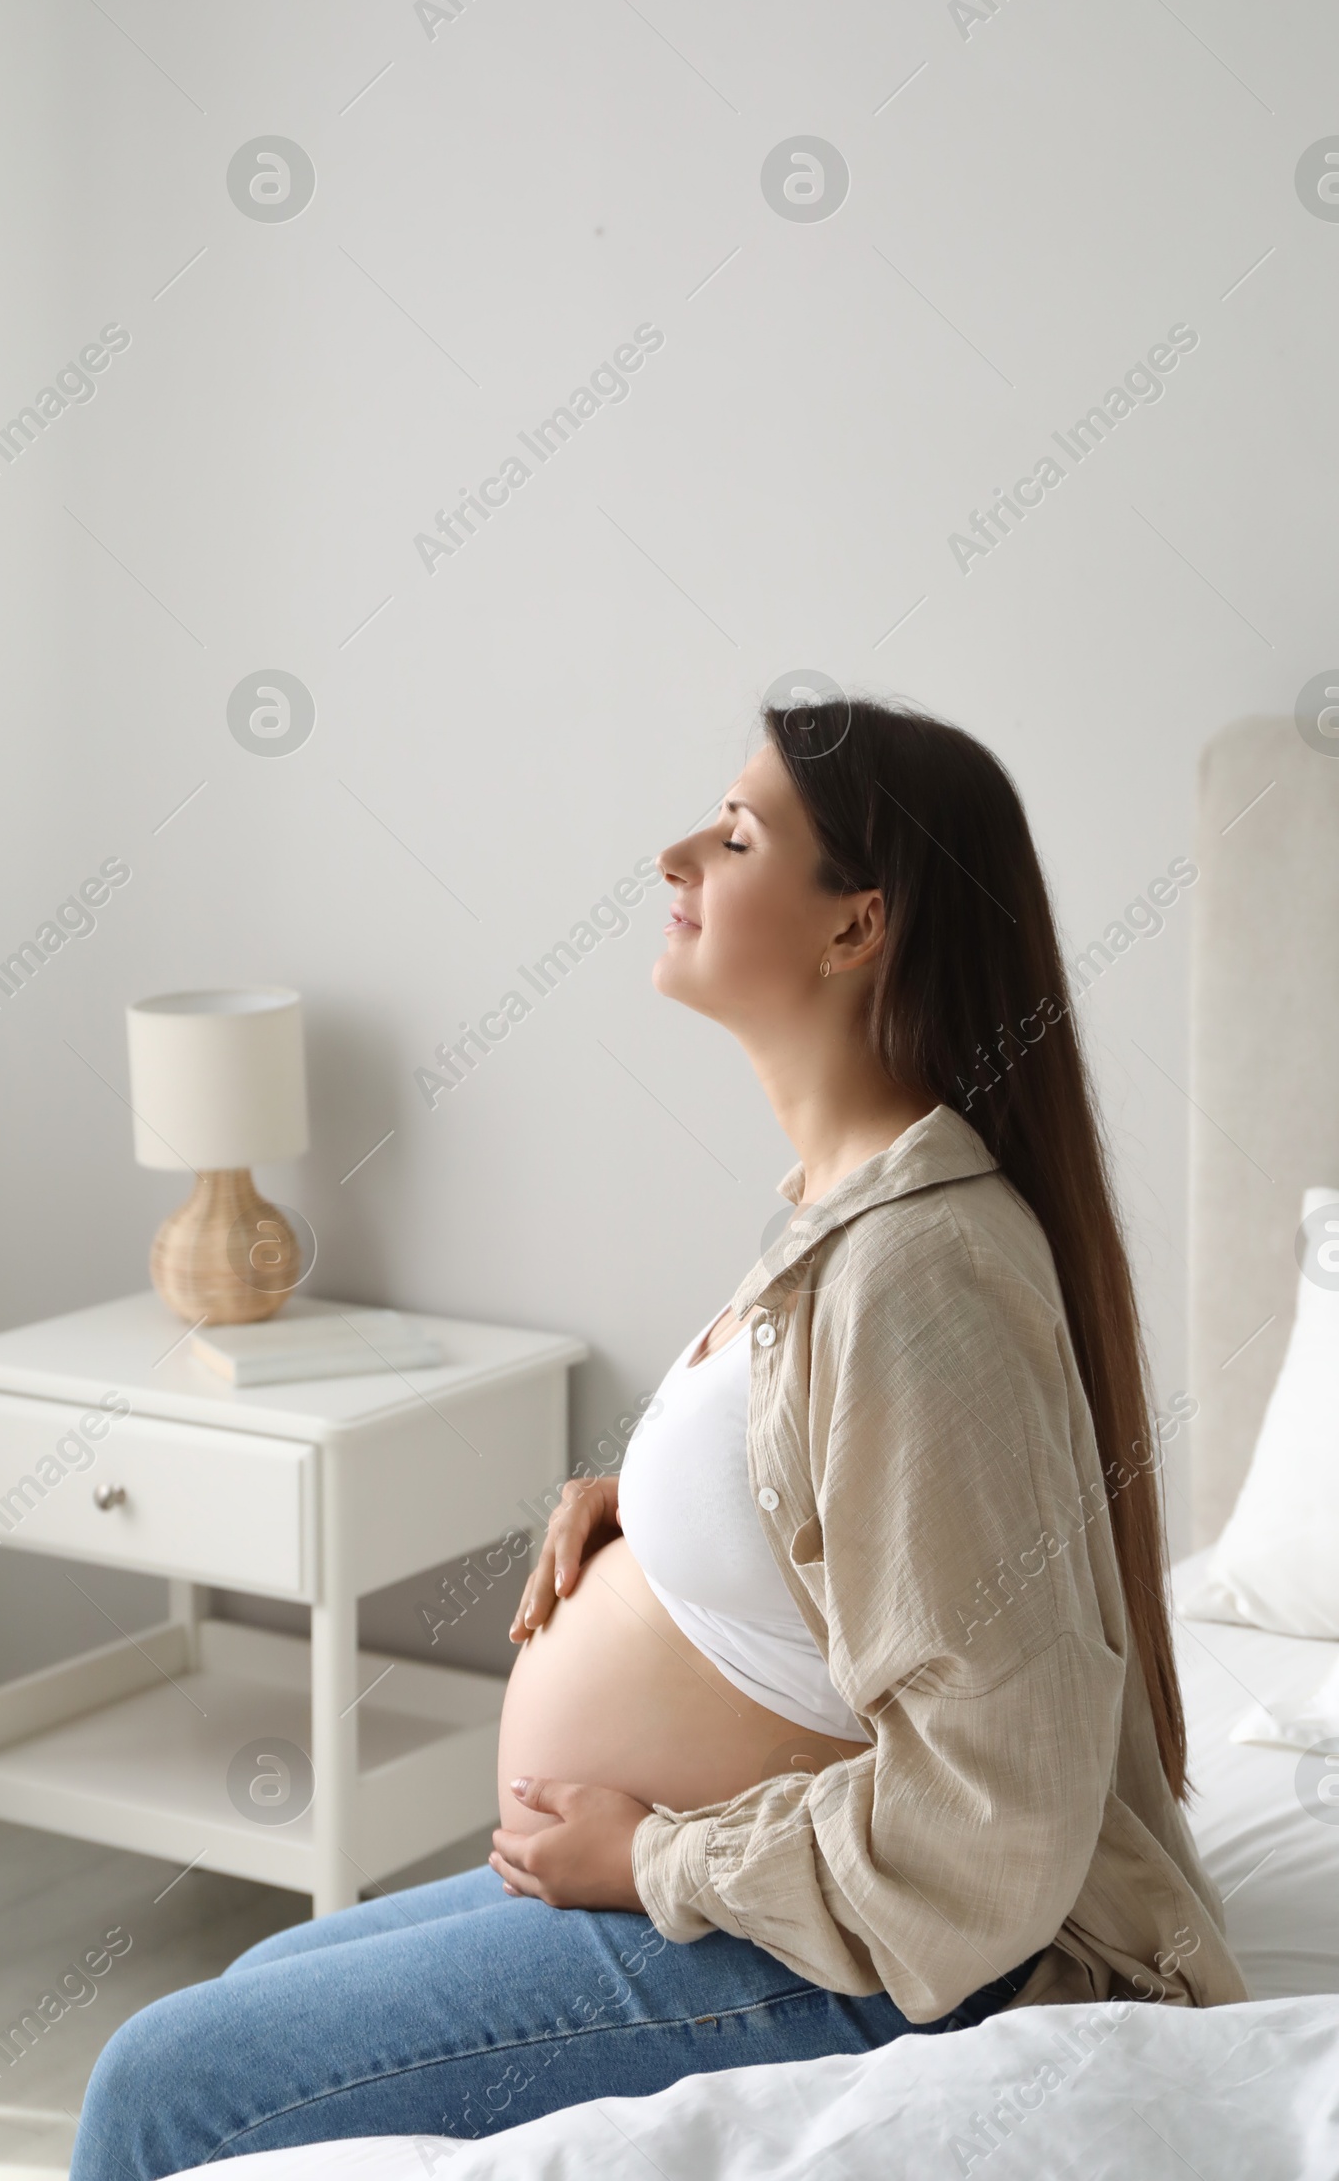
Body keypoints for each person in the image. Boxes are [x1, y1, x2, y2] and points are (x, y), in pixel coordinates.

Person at [70, 696, 1245, 2178]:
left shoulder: (920, 1273)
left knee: (169, 2088)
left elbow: (987, 1828)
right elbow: (859, 1500)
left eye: (740, 834)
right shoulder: (847, 1218)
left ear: (853, 927)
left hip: (887, 1964)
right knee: (249, 1996)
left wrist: (648, 1859)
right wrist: (668, 1509)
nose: (677, 851)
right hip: (790, 1905)